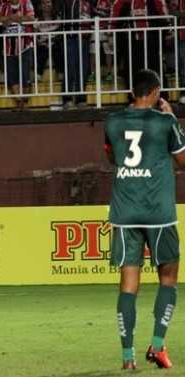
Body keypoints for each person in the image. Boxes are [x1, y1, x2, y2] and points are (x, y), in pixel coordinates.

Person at [104, 69, 185, 370]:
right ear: (155, 93)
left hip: (125, 213)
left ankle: (128, 358)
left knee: (128, 285)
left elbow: (113, 157)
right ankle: (159, 346)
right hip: (159, 213)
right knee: (168, 278)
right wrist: (173, 118)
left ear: (131, 92)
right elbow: (183, 159)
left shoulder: (111, 122)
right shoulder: (164, 122)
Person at [0, 0, 35, 110]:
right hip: (8, 47)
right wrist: (11, 18)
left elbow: (31, 18)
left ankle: (25, 102)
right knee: (11, 76)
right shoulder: (3, 5)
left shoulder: (26, 3)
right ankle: (19, 102)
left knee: (26, 75)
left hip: (25, 45)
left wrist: (10, 19)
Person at [56, 0, 91, 109]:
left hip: (84, 39)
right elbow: (58, 16)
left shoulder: (87, 3)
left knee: (83, 70)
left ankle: (81, 99)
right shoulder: (66, 2)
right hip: (70, 38)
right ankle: (67, 99)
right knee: (70, 69)